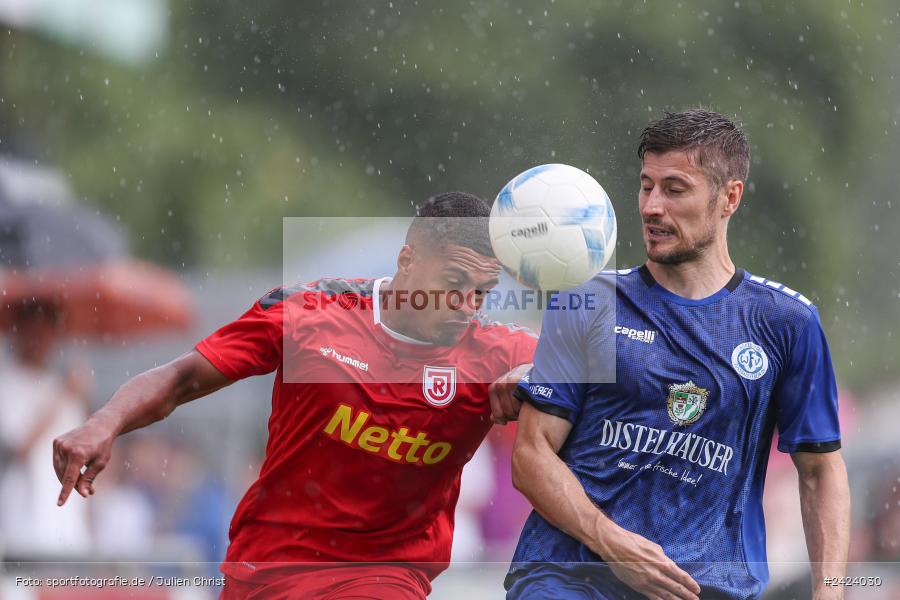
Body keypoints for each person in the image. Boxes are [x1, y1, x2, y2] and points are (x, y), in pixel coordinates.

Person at [52, 191, 536, 599]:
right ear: (408, 260)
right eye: (454, 284)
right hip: (267, 565)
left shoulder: (495, 352)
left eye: (482, 291)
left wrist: (540, 374)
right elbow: (181, 379)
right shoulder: (310, 316)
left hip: (384, 575)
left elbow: (597, 364)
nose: (466, 306)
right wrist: (104, 422)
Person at [506, 109, 850, 600]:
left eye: (674, 188)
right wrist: (615, 545)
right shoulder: (590, 302)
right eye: (646, 186)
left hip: (707, 586)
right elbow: (531, 456)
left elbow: (821, 472)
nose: (651, 206)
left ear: (730, 197)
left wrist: (831, 593)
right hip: (572, 576)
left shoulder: (786, 323)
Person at [0, 301, 92, 559]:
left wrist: (82, 400)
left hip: (67, 520)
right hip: (25, 519)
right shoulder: (7, 382)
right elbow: (21, 445)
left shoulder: (62, 386)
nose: (40, 339)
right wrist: (64, 394)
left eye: (47, 331)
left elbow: (85, 450)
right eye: (33, 330)